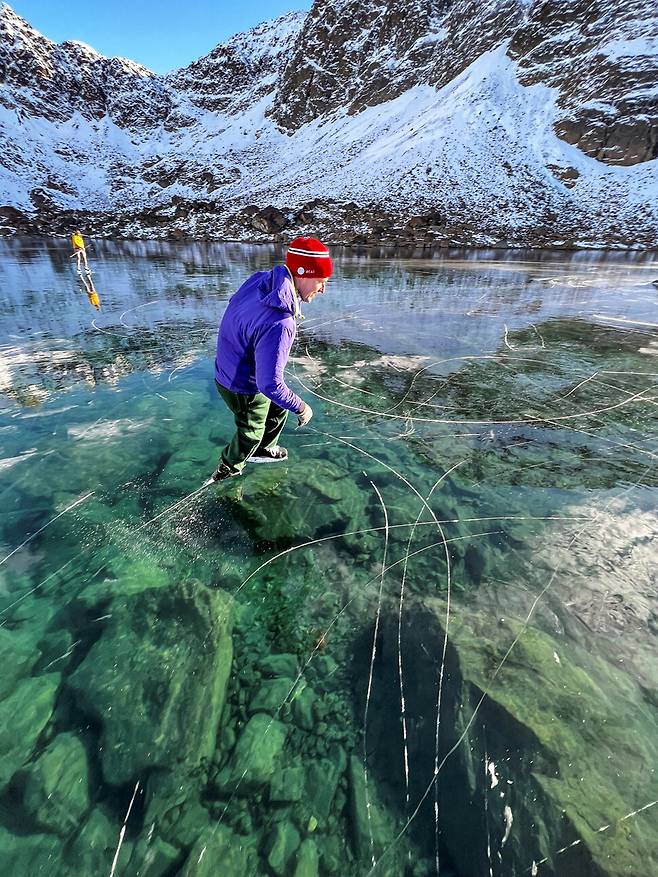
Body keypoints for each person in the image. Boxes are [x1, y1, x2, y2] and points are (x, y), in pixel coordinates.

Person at [211, 236, 332, 482]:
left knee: (279, 406)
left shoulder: (262, 281)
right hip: (239, 384)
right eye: (321, 281)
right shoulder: (280, 322)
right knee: (251, 431)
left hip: (231, 364)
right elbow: (269, 385)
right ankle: (228, 469)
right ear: (304, 274)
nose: (323, 289)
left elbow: (237, 307)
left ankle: (265, 449)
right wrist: (302, 407)